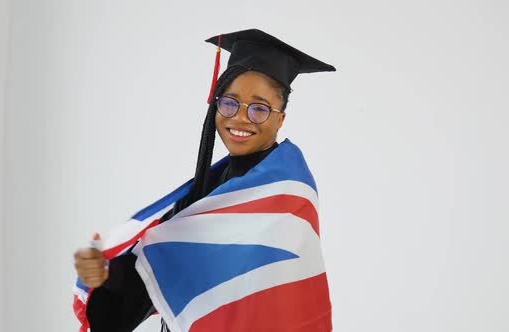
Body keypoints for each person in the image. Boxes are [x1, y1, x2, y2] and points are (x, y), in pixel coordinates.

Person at [73, 28, 336, 332]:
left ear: (280, 119)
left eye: (260, 109)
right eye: (229, 102)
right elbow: (163, 268)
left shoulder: (287, 195)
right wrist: (107, 274)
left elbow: (278, 302)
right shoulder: (207, 188)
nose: (240, 117)